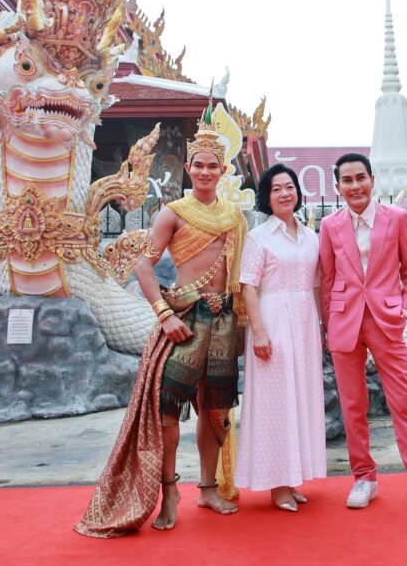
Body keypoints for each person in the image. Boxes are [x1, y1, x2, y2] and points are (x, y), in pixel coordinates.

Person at [75, 105, 247, 537]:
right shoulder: (172, 212)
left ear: (223, 170)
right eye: (198, 165)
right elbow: (144, 267)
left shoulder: (235, 218)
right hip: (183, 318)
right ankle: (169, 490)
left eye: (212, 166)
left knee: (216, 411)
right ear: (188, 169)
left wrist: (245, 325)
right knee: (167, 410)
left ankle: (207, 488)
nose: (205, 172)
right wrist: (164, 314)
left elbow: (242, 275)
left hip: (223, 320)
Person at [318, 152, 407, 512]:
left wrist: (405, 308)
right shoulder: (329, 225)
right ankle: (364, 478)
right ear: (338, 186)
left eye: (360, 178)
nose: (355, 186)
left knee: (402, 400)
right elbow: (327, 280)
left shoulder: (396, 218)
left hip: (386, 319)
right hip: (344, 321)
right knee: (352, 404)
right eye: (347, 180)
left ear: (372, 180)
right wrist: (328, 324)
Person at [235, 164, 327, 511]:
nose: (285, 194)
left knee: (299, 398)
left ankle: (292, 478)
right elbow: (248, 286)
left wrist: (322, 325)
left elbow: (316, 284)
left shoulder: (310, 236)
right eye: (277, 189)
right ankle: (276, 484)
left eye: (290, 187)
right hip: (272, 322)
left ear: (297, 193)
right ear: (267, 197)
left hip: (304, 324)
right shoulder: (259, 237)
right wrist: (259, 331)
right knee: (275, 402)